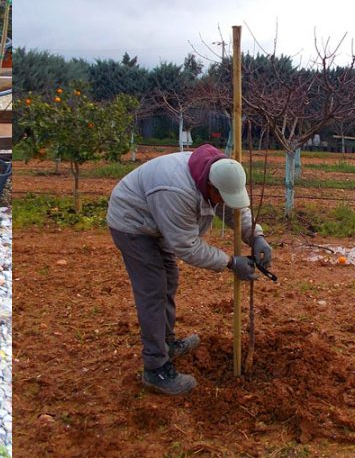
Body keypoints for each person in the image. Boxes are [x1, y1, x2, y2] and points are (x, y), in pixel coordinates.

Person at [106, 144, 273, 395]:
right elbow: (187, 246)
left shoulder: (219, 173)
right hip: (133, 223)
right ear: (210, 188)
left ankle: (166, 343)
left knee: (169, 280)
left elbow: (234, 209)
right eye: (221, 197)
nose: (223, 202)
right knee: (153, 290)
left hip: (157, 222)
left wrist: (255, 236)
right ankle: (156, 368)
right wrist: (230, 262)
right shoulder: (176, 191)